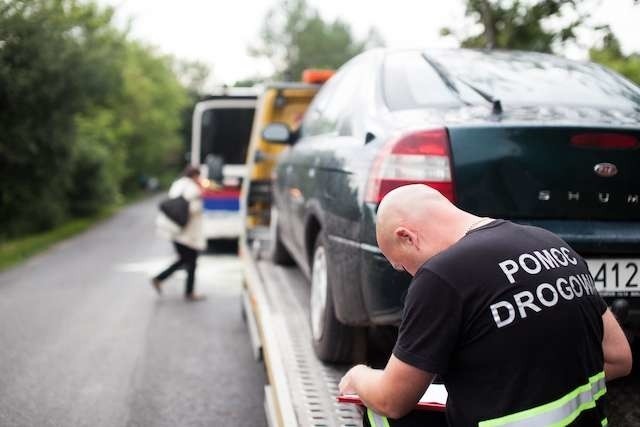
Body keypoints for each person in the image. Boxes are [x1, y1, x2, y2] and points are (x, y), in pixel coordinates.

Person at [339, 184, 632, 426]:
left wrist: (359, 375)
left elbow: (392, 400)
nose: (410, 276)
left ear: (407, 236)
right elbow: (620, 358)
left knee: (379, 411)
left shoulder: (442, 276)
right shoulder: (552, 244)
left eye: (402, 266)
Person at [152, 165, 206, 301]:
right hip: (187, 234)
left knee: (185, 260)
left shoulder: (177, 185)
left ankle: (160, 279)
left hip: (173, 230)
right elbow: (194, 209)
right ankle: (188, 292)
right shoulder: (193, 189)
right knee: (190, 262)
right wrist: (201, 195)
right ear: (195, 176)